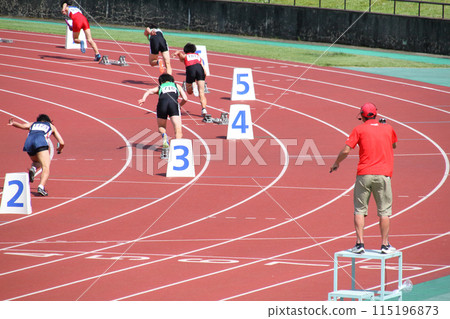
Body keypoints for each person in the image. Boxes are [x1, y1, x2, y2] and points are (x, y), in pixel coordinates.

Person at [330, 102, 398, 254]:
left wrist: (336, 163)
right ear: (376, 114)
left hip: (364, 174)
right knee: (384, 211)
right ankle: (385, 245)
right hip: (383, 175)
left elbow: (346, 150)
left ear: (361, 116)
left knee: (359, 210)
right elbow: (393, 146)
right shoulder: (388, 128)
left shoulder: (358, 129)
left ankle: (360, 244)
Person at [8, 114, 65, 197]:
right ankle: (41, 187)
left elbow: (22, 126)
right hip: (40, 142)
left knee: (36, 161)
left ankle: (33, 169)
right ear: (48, 121)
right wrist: (60, 149)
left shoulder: (33, 124)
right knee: (46, 166)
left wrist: (13, 123)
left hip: (28, 143)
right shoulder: (51, 126)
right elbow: (62, 142)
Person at [138, 73, 188, 148]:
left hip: (162, 105)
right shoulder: (176, 85)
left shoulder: (160, 86)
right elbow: (185, 99)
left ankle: (164, 136)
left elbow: (149, 91)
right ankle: (177, 148)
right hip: (173, 105)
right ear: (171, 80)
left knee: (161, 126)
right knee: (178, 129)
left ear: (161, 81)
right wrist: (179, 105)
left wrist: (143, 99)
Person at [173, 43, 208, 116]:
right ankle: (204, 109)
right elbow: (204, 69)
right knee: (201, 93)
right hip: (200, 69)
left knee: (189, 92)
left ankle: (193, 86)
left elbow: (180, 56)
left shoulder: (186, 55)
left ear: (185, 50)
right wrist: (203, 77)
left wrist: (177, 53)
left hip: (191, 69)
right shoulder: (198, 56)